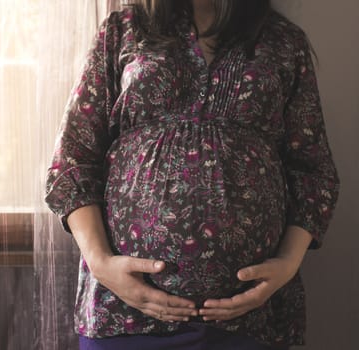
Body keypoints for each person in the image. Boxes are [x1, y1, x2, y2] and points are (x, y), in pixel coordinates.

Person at [45, 0, 340, 349]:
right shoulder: (124, 30)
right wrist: (101, 264)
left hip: (252, 315)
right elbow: (74, 157)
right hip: (124, 313)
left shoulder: (283, 42)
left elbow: (313, 171)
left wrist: (287, 265)